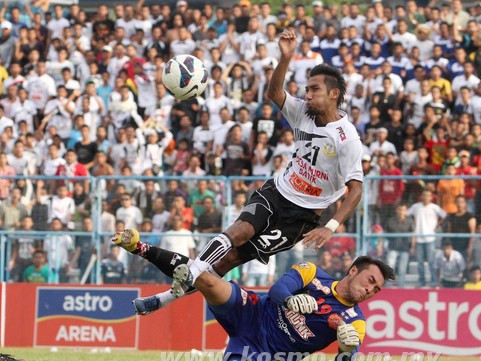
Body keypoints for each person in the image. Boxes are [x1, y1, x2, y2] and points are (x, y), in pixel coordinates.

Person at [115, 29, 363, 316]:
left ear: (334, 94)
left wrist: (330, 226)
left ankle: (165, 298)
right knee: (239, 230)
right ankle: (185, 276)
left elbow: (355, 190)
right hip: (277, 192)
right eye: (306, 89)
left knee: (228, 261)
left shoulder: (347, 139)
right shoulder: (302, 113)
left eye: (314, 89)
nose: (306, 95)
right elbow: (273, 93)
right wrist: (284, 58)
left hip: (302, 219)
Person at [130, 256, 395, 361]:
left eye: (376, 290)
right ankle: (145, 259)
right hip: (251, 310)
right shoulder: (313, 273)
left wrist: (346, 350)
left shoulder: (355, 323)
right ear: (352, 270)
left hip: (262, 354)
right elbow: (278, 289)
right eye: (370, 281)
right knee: (206, 279)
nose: (370, 291)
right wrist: (290, 299)